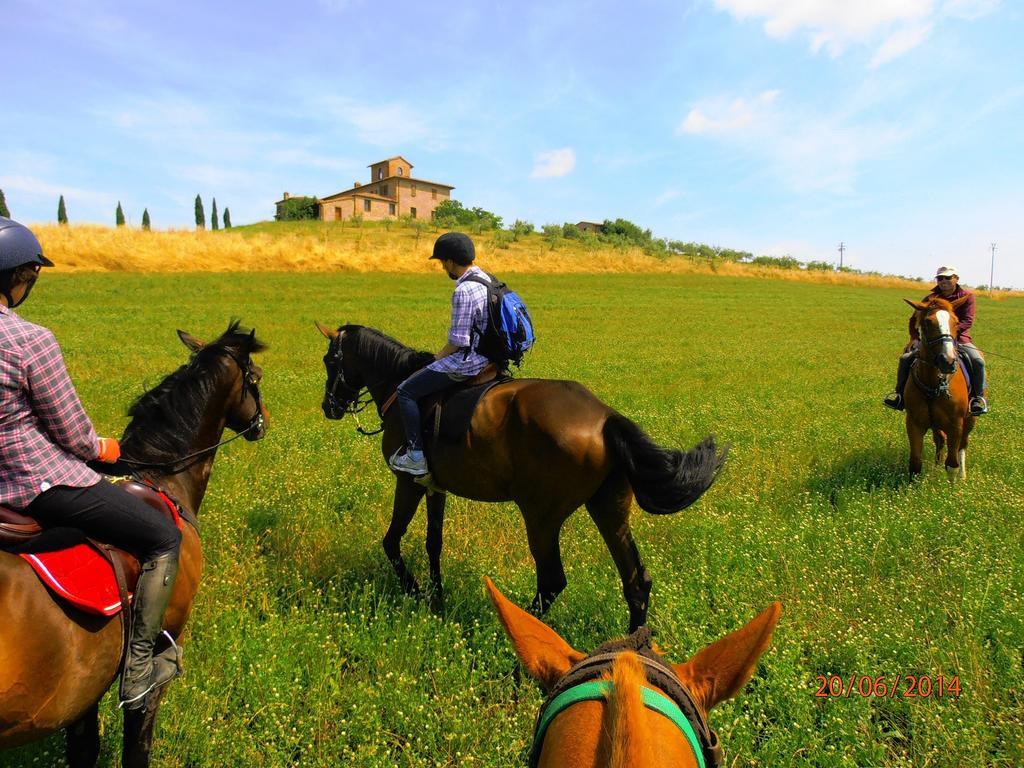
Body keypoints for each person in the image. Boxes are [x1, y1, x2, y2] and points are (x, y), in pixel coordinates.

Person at [0, 217, 182, 708]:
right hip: (35, 484)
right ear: (18, 277)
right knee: (164, 538)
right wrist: (108, 449)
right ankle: (140, 669)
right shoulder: (29, 340)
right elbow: (73, 435)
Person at [389, 232, 490, 476]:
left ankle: (415, 456)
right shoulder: (485, 278)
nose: (442, 266)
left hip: (468, 362)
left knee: (405, 391)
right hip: (489, 356)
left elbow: (457, 341)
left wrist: (437, 357)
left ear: (452, 261)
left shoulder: (463, 290)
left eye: (442, 261)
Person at [883, 265, 988, 415]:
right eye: (940, 278)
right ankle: (899, 396)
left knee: (977, 361)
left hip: (959, 338)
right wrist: (914, 338)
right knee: (905, 358)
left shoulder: (967, 296)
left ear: (956, 279)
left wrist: (947, 334)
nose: (943, 280)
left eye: (948, 277)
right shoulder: (930, 298)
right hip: (931, 340)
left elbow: (967, 321)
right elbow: (914, 320)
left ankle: (977, 398)